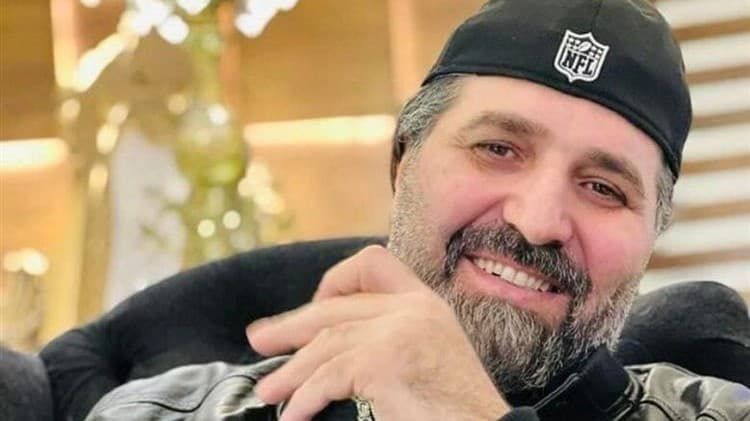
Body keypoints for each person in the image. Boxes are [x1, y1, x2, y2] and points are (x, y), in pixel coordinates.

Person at [81, 0, 750, 420]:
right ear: (403, 160)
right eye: (498, 149)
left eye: (604, 188)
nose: (537, 220)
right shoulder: (171, 413)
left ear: (653, 234)